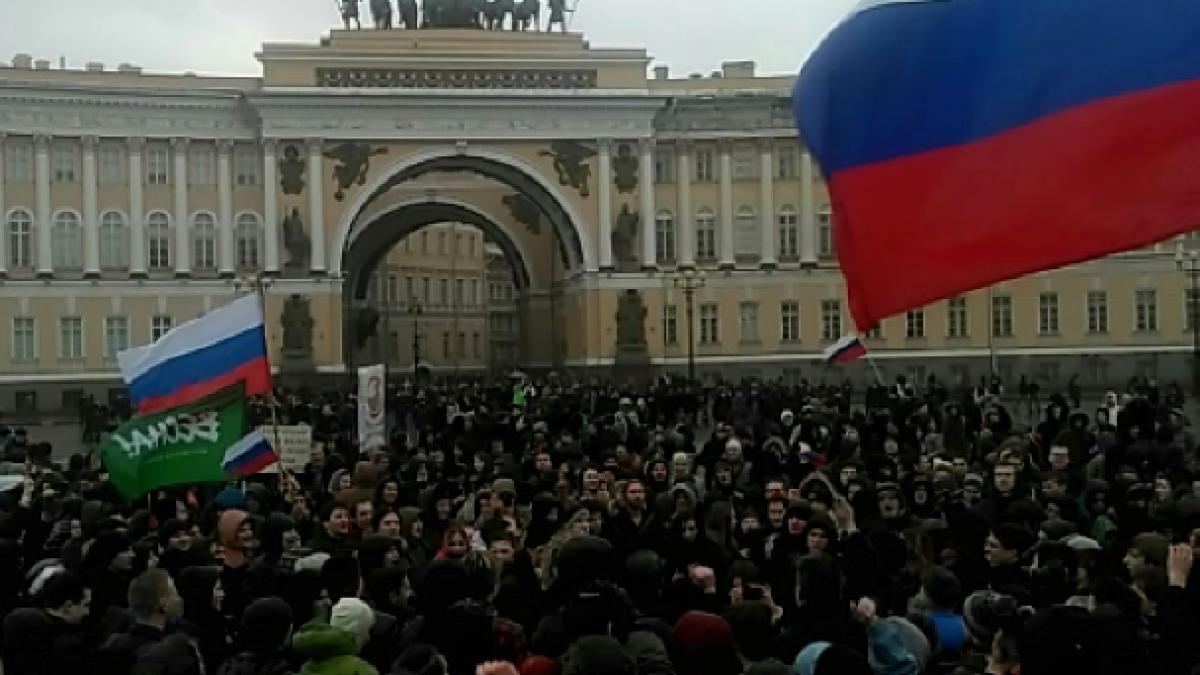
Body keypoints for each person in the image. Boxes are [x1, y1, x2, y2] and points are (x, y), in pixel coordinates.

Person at [2, 569, 91, 675]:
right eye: (86, 605)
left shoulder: (16, 619)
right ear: (68, 606)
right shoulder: (69, 645)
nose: (87, 612)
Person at [292, 597, 378, 675]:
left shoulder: (307, 664)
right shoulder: (359, 670)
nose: (368, 637)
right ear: (356, 632)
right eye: (366, 631)